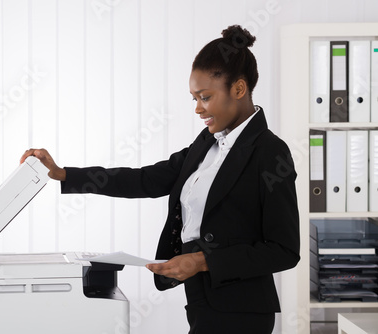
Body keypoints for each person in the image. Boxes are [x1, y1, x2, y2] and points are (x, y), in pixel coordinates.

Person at [20, 25, 300, 334]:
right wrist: (66, 174)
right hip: (202, 298)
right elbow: (145, 180)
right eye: (194, 98)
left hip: (241, 309)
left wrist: (203, 261)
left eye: (205, 97)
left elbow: (283, 249)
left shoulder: (270, 152)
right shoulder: (207, 143)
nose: (197, 109)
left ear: (238, 89)